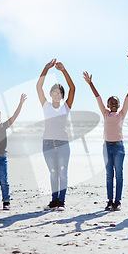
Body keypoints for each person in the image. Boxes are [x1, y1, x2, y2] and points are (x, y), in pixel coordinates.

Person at [83, 71, 128, 211]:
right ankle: (109, 201)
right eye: (111, 103)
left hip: (119, 148)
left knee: (119, 174)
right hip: (107, 147)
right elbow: (98, 98)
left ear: (119, 105)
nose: (114, 104)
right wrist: (90, 83)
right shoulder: (105, 113)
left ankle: (118, 201)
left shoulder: (122, 114)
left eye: (116, 102)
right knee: (109, 174)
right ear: (108, 105)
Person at [37, 59, 75, 211]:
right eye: (55, 92)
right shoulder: (46, 105)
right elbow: (38, 86)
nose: (57, 94)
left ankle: (61, 201)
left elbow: (73, 88)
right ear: (51, 94)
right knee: (53, 173)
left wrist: (64, 71)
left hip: (63, 144)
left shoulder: (66, 106)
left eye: (60, 93)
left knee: (63, 173)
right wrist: (45, 68)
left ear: (62, 95)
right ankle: (54, 201)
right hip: (47, 143)